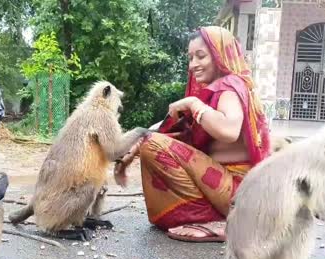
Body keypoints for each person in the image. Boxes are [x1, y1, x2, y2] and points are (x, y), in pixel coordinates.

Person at [114, 26, 271, 242]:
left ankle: (219, 223)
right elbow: (175, 127)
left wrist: (192, 102)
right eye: (190, 58)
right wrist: (132, 147)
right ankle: (218, 218)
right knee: (151, 144)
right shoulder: (220, 90)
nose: (193, 65)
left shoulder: (230, 87)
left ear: (220, 55)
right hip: (233, 190)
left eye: (201, 56)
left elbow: (229, 130)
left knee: (153, 145)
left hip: (239, 192)